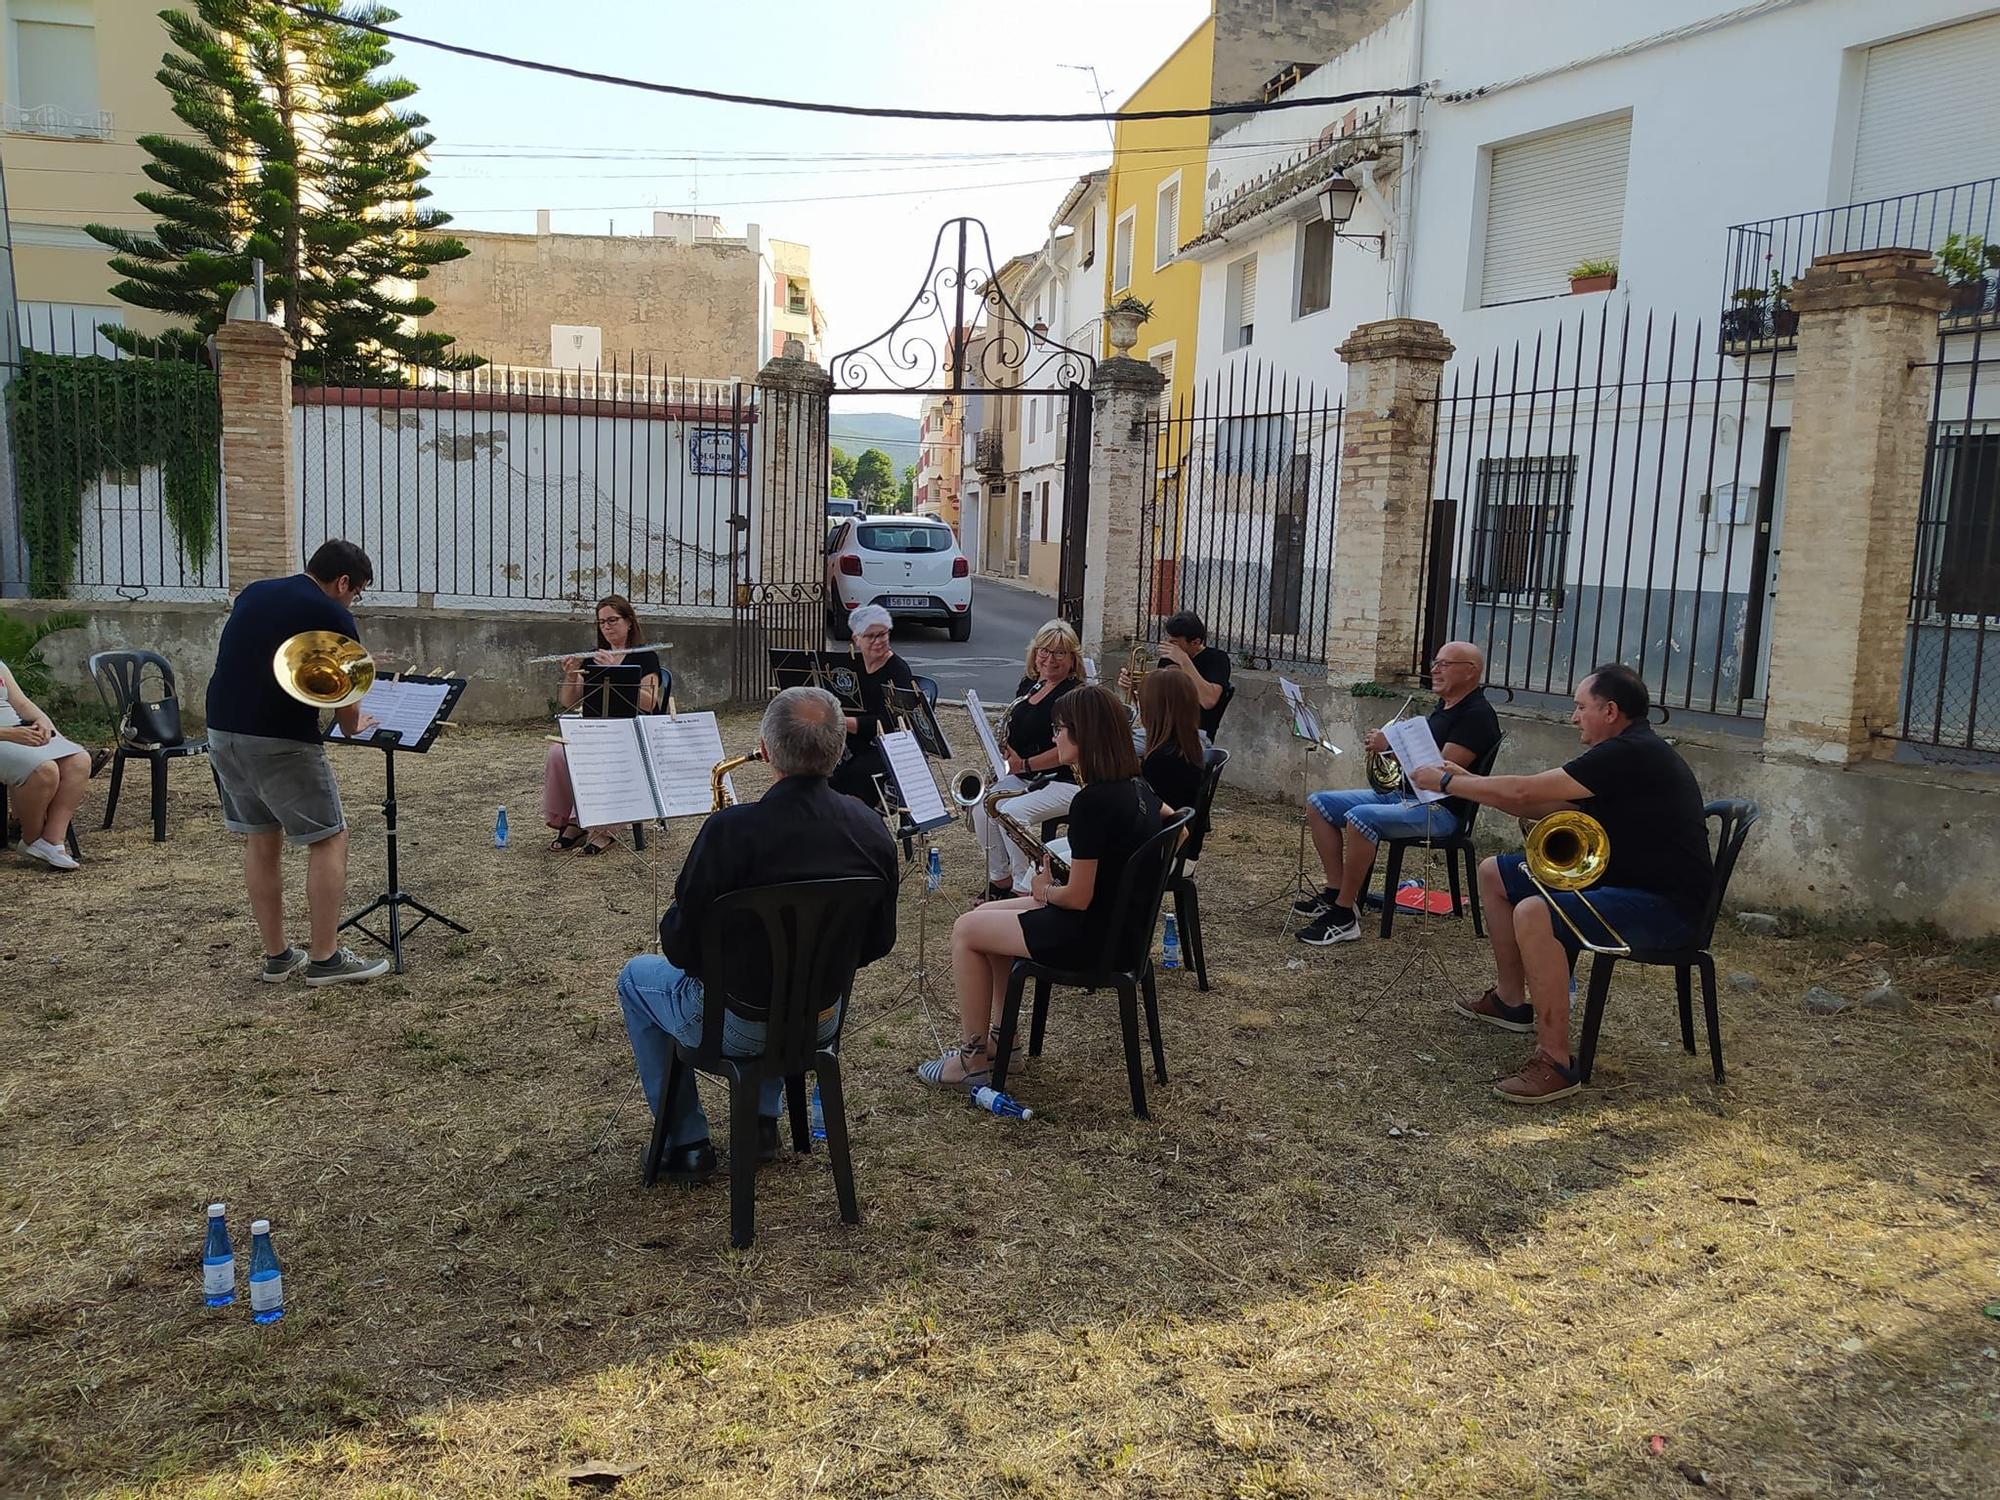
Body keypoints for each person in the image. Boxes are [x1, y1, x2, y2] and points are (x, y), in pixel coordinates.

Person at [616, 687, 899, 1184]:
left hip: (734, 1024)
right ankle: (762, 1125)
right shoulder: (871, 828)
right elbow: (877, 943)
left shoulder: (730, 831)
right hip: (822, 1020)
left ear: (766, 751)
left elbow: (681, 949)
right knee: (772, 973)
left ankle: (686, 1145)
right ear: (838, 749)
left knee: (636, 978)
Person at [1408, 663, 1713, 1105]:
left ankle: (1556, 1062)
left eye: (1580, 707)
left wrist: (1450, 781)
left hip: (1665, 909)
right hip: (1629, 886)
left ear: (1610, 711)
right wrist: (1471, 781)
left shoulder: (1629, 753)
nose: (1573, 718)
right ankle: (1512, 1002)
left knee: (1535, 911)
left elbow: (1523, 794)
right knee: (1495, 872)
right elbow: (1541, 804)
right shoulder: (1627, 750)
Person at [920, 683, 1163, 1089]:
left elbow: (1078, 896)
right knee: (982, 917)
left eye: (1059, 729)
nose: (1054, 737)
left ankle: (971, 1058)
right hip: (1123, 930)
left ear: (1084, 733)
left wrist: (1042, 890)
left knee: (965, 930)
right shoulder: (1139, 787)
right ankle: (1003, 1041)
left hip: (1090, 936)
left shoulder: (1091, 802)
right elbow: (1181, 827)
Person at [206, 538, 388, 985]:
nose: (353, 601)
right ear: (343, 581)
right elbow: (346, 699)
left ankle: (278, 956)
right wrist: (354, 721)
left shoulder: (255, 591)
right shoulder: (332, 613)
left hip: (222, 731)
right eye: (356, 592)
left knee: (260, 838)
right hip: (280, 736)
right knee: (329, 837)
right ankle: (326, 958)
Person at [1293, 641, 1501, 946]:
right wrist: (1397, 741)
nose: (1434, 670)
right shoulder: (1444, 706)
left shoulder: (1476, 715)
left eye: (1445, 664)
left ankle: (1343, 916)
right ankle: (1336, 893)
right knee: (1319, 804)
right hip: (1403, 795)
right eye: (1435, 662)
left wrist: (1391, 746)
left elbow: (1440, 776)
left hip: (1439, 810)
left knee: (1359, 817)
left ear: (1470, 672)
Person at [968, 619, 1085, 902]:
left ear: (1072, 659)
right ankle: (1000, 879)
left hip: (1065, 780)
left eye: (1060, 653)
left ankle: (1023, 886)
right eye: (1044, 650)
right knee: (982, 807)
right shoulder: (1030, 685)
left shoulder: (1073, 695)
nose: (1050, 658)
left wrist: (1025, 765)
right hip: (1026, 775)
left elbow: (1068, 751)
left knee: (1012, 814)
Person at [543, 595, 663, 856]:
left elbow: (649, 702)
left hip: (630, 730)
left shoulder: (645, 657)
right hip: (595, 727)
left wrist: (617, 675)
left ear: (629, 622)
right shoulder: (594, 658)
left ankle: (604, 829)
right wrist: (572, 673)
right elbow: (568, 701)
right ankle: (572, 821)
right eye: (601, 622)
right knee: (557, 752)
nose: (606, 627)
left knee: (606, 755)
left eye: (612, 620)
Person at [0, 658, 91, 870]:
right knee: (43, 770)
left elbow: (21, 703)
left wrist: (44, 724)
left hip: (18, 733)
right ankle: (31, 839)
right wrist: (10, 734)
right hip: (7, 737)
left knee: (79, 760)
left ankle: (52, 840)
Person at [826, 604, 916, 811]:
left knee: (854, 773)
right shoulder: (850, 666)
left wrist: (843, 722)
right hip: (851, 742)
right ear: (856, 639)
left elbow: (892, 722)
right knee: (817, 763)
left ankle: (855, 821)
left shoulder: (898, 670)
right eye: (870, 636)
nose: (878, 641)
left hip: (885, 746)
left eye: (882, 634)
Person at [1120, 610, 1232, 739]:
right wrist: (1133, 688)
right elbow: (1153, 707)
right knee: (1119, 743)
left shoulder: (1217, 658)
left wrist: (1184, 661)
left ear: (1195, 642)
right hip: (1162, 732)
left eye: (1175, 643)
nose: (1170, 647)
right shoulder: (1168, 659)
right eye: (1169, 641)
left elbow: (1209, 701)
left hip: (1196, 734)